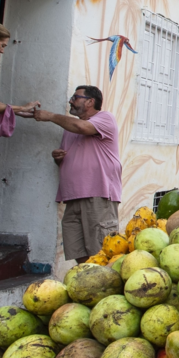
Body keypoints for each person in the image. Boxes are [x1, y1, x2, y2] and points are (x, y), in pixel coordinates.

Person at [20, 86, 122, 263]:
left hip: (98, 196)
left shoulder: (105, 118)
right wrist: (58, 158)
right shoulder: (70, 128)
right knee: (78, 252)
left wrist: (50, 116)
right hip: (72, 197)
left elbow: (82, 127)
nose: (70, 101)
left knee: (102, 252)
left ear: (90, 101)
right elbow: (74, 153)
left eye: (75, 97)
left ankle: (105, 289)